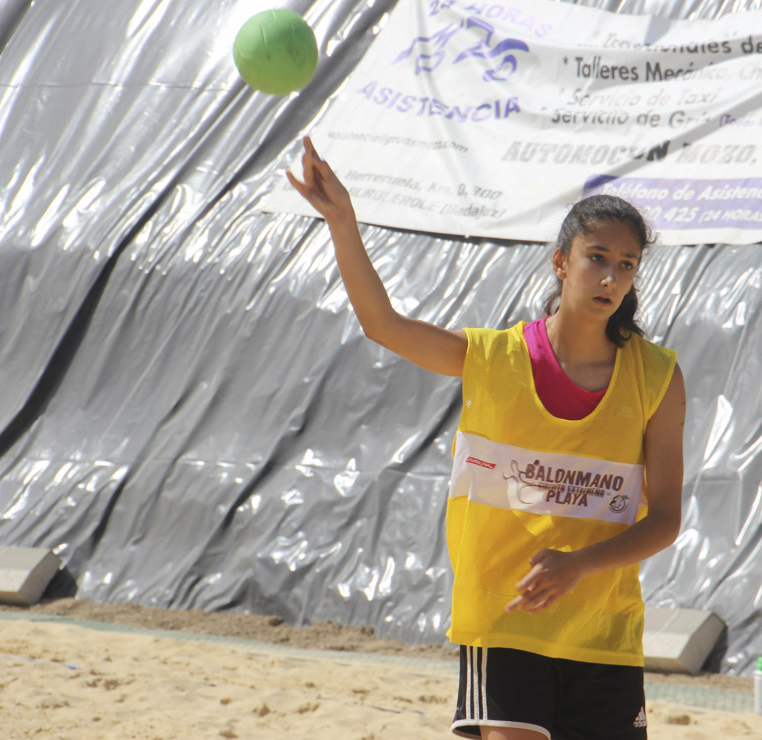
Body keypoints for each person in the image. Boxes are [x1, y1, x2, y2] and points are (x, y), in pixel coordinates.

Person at [287, 136, 686, 740]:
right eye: (596, 257)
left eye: (625, 265)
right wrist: (343, 221)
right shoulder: (495, 358)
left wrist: (578, 567)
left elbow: (666, 521)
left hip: (604, 635)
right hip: (504, 624)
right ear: (561, 262)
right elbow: (382, 324)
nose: (610, 276)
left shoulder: (657, 377)